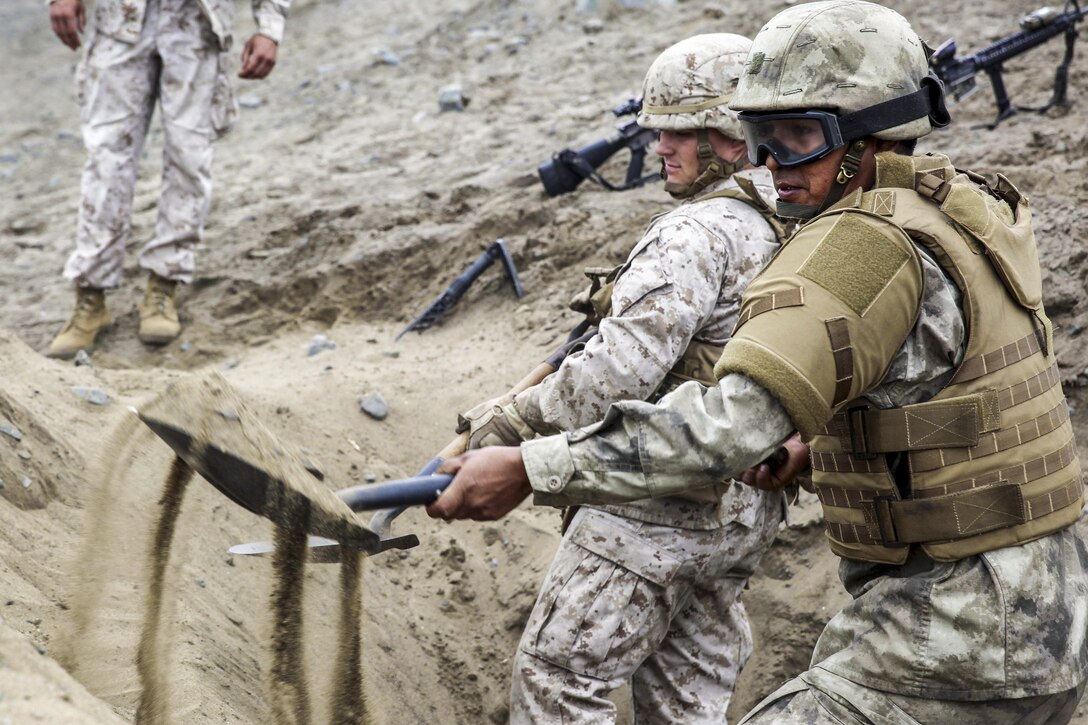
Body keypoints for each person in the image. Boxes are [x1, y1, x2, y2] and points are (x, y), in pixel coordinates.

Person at [428, 1, 1088, 722]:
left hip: (948, 637)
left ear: (872, 131)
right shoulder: (965, 208)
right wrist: (809, 446)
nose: (773, 164)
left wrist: (529, 465)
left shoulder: (857, 246)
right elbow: (945, 386)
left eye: (800, 136)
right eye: (760, 138)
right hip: (1053, 622)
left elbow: (722, 427)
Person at [454, 33, 794, 723]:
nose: (660, 147)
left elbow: (613, 376)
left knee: (558, 679)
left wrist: (511, 422)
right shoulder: (792, 222)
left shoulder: (696, 233)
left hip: (657, 503)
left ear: (730, 136)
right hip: (743, 510)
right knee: (687, 700)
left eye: (680, 132)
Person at [46, 0, 289, 358]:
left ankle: (164, 283)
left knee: (189, 157)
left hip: (197, 22)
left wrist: (269, 27)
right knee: (106, 161)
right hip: (120, 19)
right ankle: (91, 295)